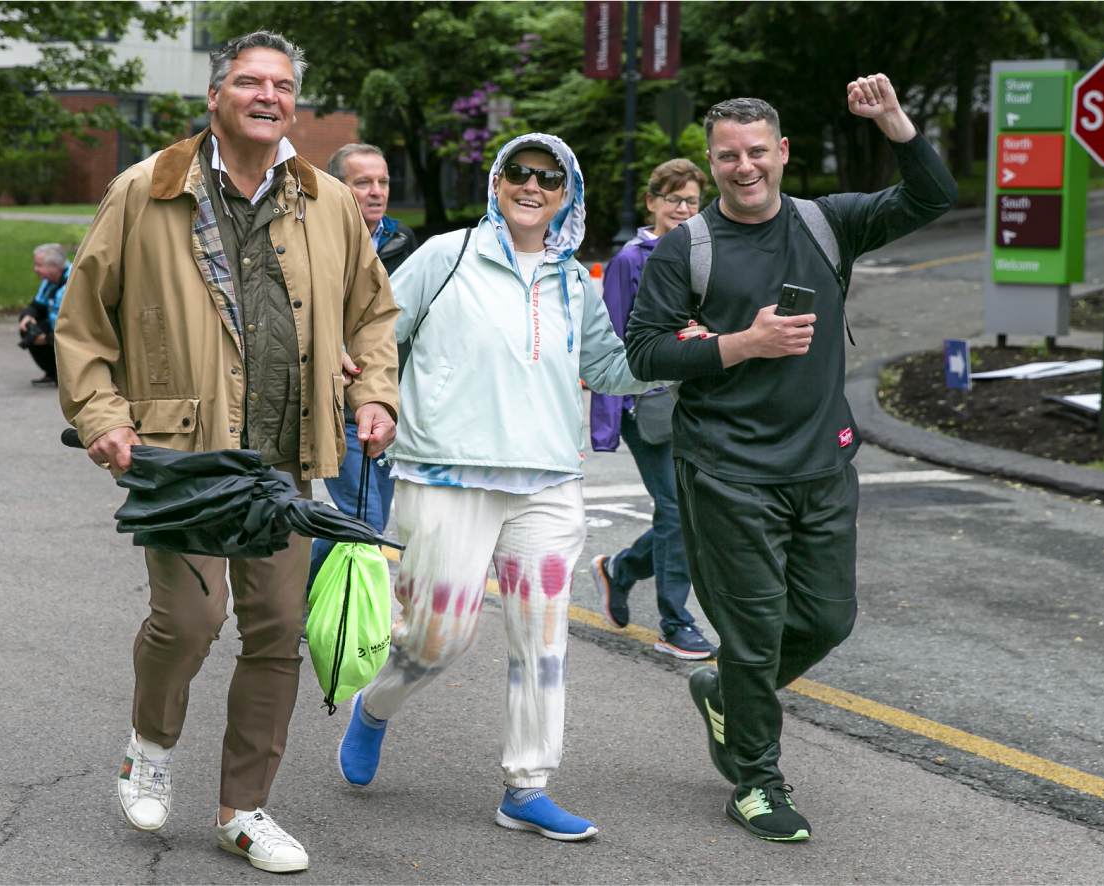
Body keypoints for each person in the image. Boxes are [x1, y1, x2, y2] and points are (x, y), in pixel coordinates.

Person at [55, 30, 400, 873]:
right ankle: (151, 745)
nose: (267, 96)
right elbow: (83, 319)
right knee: (190, 619)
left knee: (278, 629)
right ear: (215, 96)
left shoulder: (323, 199)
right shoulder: (147, 190)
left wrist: (373, 394)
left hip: (285, 456)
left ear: (295, 103)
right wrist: (101, 413)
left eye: (282, 85)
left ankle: (243, 809)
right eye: (249, 82)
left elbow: (371, 315)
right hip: (184, 455)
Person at [625, 76, 958, 842]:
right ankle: (755, 780)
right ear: (710, 164)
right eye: (726, 157)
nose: (743, 168)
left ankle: (727, 694)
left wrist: (896, 123)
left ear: (781, 152)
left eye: (756, 152)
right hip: (728, 470)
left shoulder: (827, 222)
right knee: (753, 635)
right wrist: (743, 343)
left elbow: (930, 196)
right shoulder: (686, 250)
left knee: (827, 619)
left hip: (821, 462)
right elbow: (644, 352)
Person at [335, 133, 664, 842]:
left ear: (565, 195)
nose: (532, 185)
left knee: (542, 640)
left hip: (546, 482)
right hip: (445, 473)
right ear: (496, 181)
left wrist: (685, 358)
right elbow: (375, 338)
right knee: (437, 638)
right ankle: (375, 708)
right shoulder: (445, 257)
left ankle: (526, 785)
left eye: (549, 178)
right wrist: (375, 402)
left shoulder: (574, 280)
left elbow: (608, 367)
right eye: (519, 172)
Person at [588, 159, 717, 660]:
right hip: (648, 406)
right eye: (673, 200)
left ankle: (619, 570)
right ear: (652, 203)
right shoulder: (630, 260)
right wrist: (608, 420)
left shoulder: (706, 251)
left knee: (688, 510)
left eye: (691, 201)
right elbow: (613, 343)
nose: (682, 210)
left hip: (697, 399)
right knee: (677, 509)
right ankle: (675, 622)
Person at [306, 143, 418, 590]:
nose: (377, 192)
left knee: (368, 517)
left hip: (385, 403)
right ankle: (299, 602)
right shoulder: (312, 237)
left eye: (384, 181)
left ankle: (313, 600)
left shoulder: (402, 241)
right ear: (337, 187)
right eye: (363, 182)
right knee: (363, 518)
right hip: (335, 402)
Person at [18, 243, 69, 386]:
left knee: (40, 336)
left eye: (39, 265)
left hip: (75, 335)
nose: (35, 269)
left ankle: (68, 377)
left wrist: (47, 338)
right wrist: (28, 316)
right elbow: (36, 306)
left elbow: (81, 327)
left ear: (55, 267)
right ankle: (53, 373)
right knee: (29, 329)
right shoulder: (50, 281)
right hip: (58, 331)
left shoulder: (73, 283)